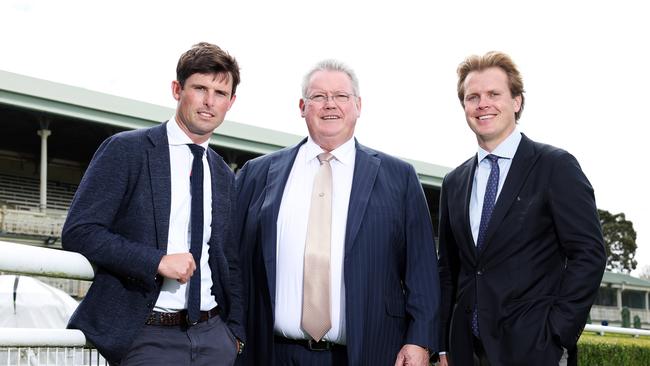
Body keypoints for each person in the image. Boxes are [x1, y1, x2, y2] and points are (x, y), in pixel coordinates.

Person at [235, 60, 440, 365]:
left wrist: (420, 339)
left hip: (365, 354)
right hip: (270, 353)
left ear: (358, 105)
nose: (330, 104)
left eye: (341, 96)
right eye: (318, 97)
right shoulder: (257, 174)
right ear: (302, 106)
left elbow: (421, 270)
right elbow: (232, 261)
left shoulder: (400, 178)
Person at [62, 42, 244, 366]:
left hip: (214, 337)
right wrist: (155, 260)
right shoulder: (127, 150)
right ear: (177, 89)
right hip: (148, 335)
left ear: (231, 102)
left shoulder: (223, 174)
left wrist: (234, 335)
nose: (208, 101)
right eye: (199, 88)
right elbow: (79, 231)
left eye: (219, 93)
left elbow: (230, 261)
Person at [437, 51, 606, 366]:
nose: (482, 103)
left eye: (493, 94)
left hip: (536, 349)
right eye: (472, 97)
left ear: (516, 101)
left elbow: (589, 254)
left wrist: (557, 335)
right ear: (464, 107)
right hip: (466, 351)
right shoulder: (454, 182)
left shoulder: (555, 166)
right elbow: (449, 270)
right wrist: (444, 345)